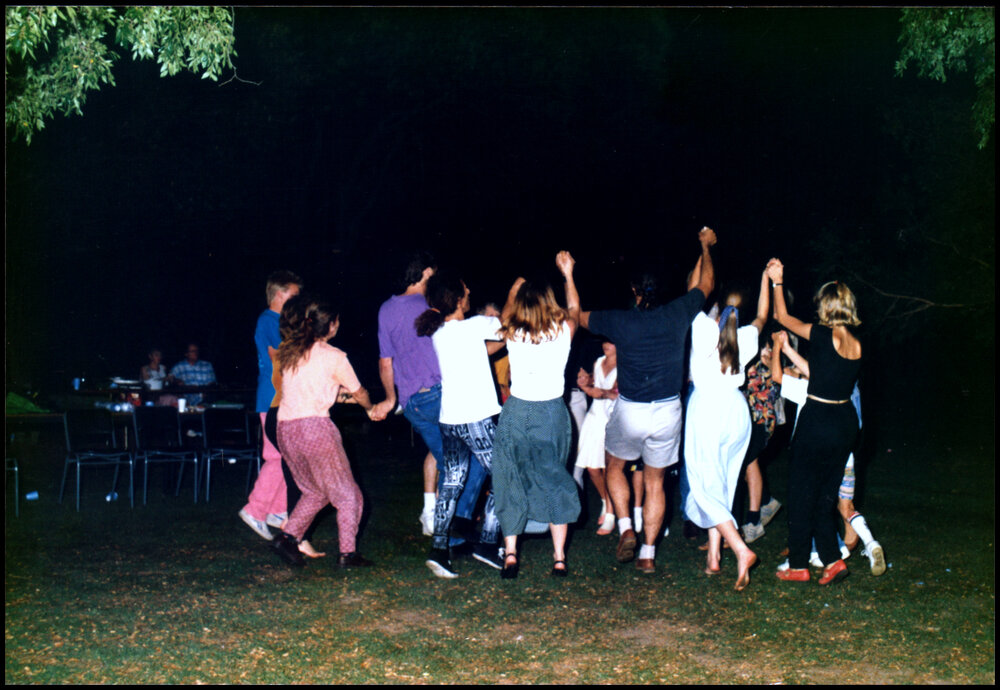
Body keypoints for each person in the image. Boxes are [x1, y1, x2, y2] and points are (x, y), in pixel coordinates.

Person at [558, 228, 716, 574]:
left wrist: (569, 274)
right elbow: (706, 285)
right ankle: (647, 554)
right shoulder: (678, 313)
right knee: (656, 481)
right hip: (668, 410)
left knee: (614, 466)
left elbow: (575, 314)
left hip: (630, 409)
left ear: (634, 291)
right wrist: (705, 247)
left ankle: (626, 526)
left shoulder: (620, 320)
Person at [769, 259, 862, 586]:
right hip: (844, 423)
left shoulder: (822, 333)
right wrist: (787, 350)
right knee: (824, 495)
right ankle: (832, 560)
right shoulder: (855, 343)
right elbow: (819, 374)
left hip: (818, 420)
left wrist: (778, 281)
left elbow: (782, 317)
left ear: (826, 306)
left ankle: (798, 564)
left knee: (800, 492)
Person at [270, 294, 377, 569]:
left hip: (286, 430)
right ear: (331, 325)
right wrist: (370, 408)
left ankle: (287, 538)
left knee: (315, 492)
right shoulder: (335, 357)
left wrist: (348, 398)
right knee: (349, 495)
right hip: (314, 430)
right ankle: (348, 554)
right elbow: (359, 392)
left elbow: (322, 390)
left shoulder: (292, 352)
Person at [416, 273, 508, 578]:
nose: (469, 294)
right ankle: (487, 543)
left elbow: (485, 349)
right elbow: (506, 327)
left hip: (450, 420)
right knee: (505, 475)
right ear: (457, 299)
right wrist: (515, 290)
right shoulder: (475, 325)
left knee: (452, 484)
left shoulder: (439, 331)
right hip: (475, 418)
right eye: (466, 291)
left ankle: (439, 550)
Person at [683, 269, 770, 591]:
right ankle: (714, 556)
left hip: (708, 408)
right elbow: (763, 315)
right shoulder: (745, 335)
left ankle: (740, 549)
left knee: (703, 486)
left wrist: (704, 250)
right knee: (723, 483)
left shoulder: (703, 327)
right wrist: (766, 278)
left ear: (717, 305)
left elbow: (694, 290)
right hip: (736, 410)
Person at [771, 332, 885, 576]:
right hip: (843, 449)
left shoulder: (810, 388)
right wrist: (788, 350)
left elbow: (778, 376)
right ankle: (837, 557)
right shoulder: (845, 386)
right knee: (828, 503)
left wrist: (778, 347)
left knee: (802, 501)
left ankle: (800, 563)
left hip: (814, 442)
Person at [493, 273, 580, 578]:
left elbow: (505, 313)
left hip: (517, 412)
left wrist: (513, 288)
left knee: (509, 476)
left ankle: (511, 553)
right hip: (551, 414)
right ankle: (559, 558)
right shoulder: (563, 330)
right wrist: (568, 274)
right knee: (554, 477)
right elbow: (574, 308)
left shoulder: (512, 331)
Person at [370, 252, 444, 537]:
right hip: (439, 393)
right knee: (456, 460)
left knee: (438, 451)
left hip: (412, 402)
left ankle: (430, 513)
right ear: (426, 272)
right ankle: (448, 524)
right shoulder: (431, 305)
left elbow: (385, 362)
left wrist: (391, 398)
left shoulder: (386, 308)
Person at [238, 271, 302, 544]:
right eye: (294, 295)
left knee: (286, 455)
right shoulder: (269, 320)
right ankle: (254, 510)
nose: (297, 300)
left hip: (282, 397)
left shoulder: (280, 321)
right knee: (277, 456)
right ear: (279, 294)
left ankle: (276, 509)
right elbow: (279, 357)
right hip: (272, 397)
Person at [574, 339, 619, 536]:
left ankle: (610, 514)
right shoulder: (598, 361)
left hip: (612, 418)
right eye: (605, 341)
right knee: (592, 468)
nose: (606, 344)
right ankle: (605, 500)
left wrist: (593, 390)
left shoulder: (625, 363)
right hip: (594, 417)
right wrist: (586, 382)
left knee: (609, 468)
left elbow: (613, 393)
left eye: (612, 342)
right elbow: (595, 385)